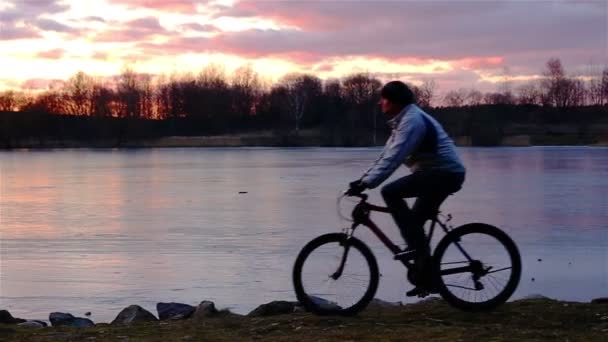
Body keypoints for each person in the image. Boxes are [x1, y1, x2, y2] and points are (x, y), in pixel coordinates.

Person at [346, 81, 466, 296]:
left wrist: (368, 184)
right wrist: (361, 180)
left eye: (384, 98)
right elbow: (384, 157)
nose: (380, 102)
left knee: (390, 192)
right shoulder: (402, 122)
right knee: (414, 225)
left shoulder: (412, 122)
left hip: (444, 174)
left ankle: (419, 256)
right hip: (436, 174)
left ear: (396, 101)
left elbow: (394, 159)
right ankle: (426, 277)